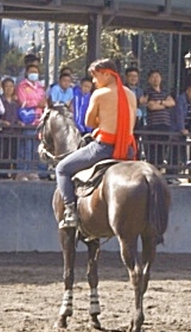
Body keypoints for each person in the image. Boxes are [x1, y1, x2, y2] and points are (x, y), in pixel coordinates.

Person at [54, 60, 137, 231]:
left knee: (62, 168)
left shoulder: (99, 94)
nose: (93, 81)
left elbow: (89, 122)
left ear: (107, 74)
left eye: (95, 76)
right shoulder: (131, 94)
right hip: (127, 150)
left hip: (103, 148)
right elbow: (132, 122)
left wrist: (103, 121)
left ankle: (70, 212)